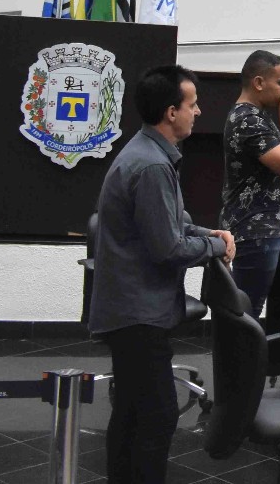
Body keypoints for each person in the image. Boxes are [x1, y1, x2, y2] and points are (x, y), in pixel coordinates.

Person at [89, 65, 234, 484]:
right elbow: (168, 248)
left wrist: (208, 234)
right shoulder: (152, 166)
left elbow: (174, 223)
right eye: (192, 105)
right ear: (171, 112)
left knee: (131, 411)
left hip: (130, 308)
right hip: (138, 315)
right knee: (157, 415)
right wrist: (217, 247)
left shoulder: (147, 153)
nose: (198, 112)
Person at [220, 50, 280, 317]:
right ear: (258, 83)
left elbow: (264, 174)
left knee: (247, 310)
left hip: (260, 226)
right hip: (253, 233)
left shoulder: (255, 115)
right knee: (246, 313)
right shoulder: (249, 120)